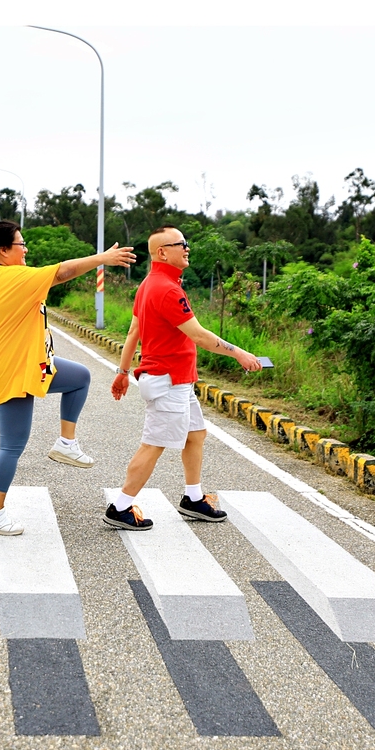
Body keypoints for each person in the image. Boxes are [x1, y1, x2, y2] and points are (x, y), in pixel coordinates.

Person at [0, 220, 136, 535]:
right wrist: (101, 259)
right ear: (4, 250)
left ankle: (66, 442)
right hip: (14, 370)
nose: (26, 250)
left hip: (30, 363)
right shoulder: (14, 276)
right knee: (12, 445)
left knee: (79, 376)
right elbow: (62, 272)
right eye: (21, 244)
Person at [105, 225, 262, 531]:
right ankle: (120, 506)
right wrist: (239, 353)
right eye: (181, 244)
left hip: (176, 380)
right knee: (153, 444)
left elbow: (133, 332)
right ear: (162, 252)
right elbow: (199, 336)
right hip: (168, 381)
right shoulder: (166, 289)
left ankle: (193, 498)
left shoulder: (149, 285)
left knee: (195, 434)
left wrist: (123, 373)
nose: (187, 248)